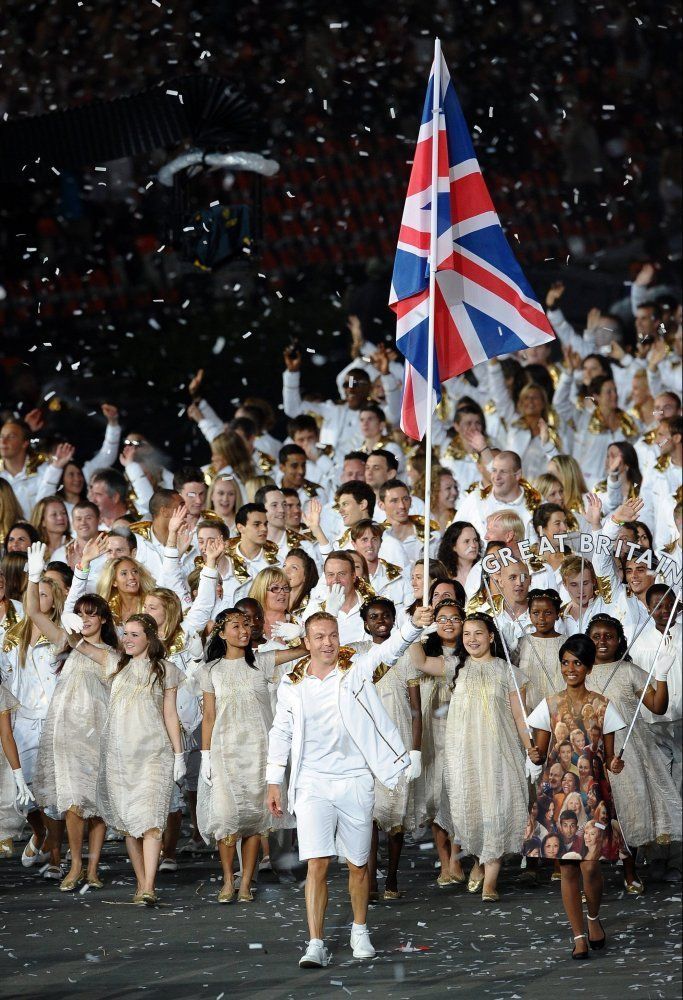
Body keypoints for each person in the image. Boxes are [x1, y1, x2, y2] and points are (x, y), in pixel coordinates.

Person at [266, 604, 432, 968]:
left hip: (355, 779)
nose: (328, 643)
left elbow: (387, 651)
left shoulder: (353, 669)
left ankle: (359, 929)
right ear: (306, 642)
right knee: (317, 864)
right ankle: (315, 942)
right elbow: (281, 731)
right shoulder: (292, 683)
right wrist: (273, 779)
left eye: (333, 636)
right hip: (311, 782)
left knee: (358, 863)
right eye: (320, 637)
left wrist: (412, 627)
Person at [67, 613, 185, 905]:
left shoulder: (165, 670)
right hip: (120, 756)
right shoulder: (114, 664)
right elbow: (79, 645)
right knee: (130, 823)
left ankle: (148, 886)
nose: (128, 639)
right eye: (125, 634)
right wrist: (69, 625)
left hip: (154, 753)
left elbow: (170, 713)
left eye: (135, 634)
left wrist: (179, 754)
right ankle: (141, 881)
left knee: (153, 821)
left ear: (149, 638)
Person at [526, 634, 626, 958]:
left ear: (588, 666)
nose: (570, 669)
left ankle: (594, 917)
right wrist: (535, 754)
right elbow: (540, 752)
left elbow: (610, 759)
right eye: (566, 662)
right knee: (568, 867)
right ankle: (578, 935)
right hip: (558, 794)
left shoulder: (602, 706)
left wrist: (615, 762)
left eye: (577, 663)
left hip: (593, 794)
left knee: (590, 867)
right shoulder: (549, 705)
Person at [26, 542, 118, 890]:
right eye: (82, 612)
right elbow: (34, 613)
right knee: (73, 801)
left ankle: (93, 868)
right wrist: (34, 578)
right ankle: (75, 863)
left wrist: (83, 570)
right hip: (67, 731)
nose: (86, 618)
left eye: (92, 613)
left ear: (104, 619)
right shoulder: (66, 641)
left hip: (100, 730)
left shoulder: (111, 651)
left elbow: (102, 662)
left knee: (97, 802)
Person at [198, 608, 303, 902]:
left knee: (256, 817)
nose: (243, 630)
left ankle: (246, 882)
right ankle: (228, 879)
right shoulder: (210, 670)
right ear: (222, 633)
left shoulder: (263, 661)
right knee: (227, 815)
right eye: (235, 626)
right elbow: (209, 716)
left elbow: (306, 650)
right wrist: (205, 754)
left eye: (246, 625)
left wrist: (300, 628)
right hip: (224, 749)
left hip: (259, 747)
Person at [437, 612, 532, 901]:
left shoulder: (507, 672)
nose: (472, 639)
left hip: (497, 752)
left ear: (491, 636)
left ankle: (491, 881)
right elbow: (418, 662)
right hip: (464, 755)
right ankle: (478, 861)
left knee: (495, 809)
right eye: (466, 634)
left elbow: (519, 715)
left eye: (478, 633)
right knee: (471, 812)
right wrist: (420, 625)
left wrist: (531, 749)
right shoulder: (457, 668)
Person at [586, 615, 682, 893]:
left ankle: (630, 871)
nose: (602, 641)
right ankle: (588, 877)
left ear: (619, 641)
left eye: (609, 636)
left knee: (624, 810)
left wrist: (661, 675)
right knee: (591, 812)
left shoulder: (628, 670)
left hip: (627, 750)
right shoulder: (583, 671)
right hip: (592, 750)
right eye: (596, 636)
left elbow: (657, 706)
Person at [357, 597, 424, 900]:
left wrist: (416, 750)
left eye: (386, 615)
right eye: (374, 616)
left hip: (398, 741)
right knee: (369, 813)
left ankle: (392, 877)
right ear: (365, 622)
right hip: (366, 743)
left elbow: (416, 709)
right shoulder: (358, 654)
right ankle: (369, 878)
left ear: (395, 618)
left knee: (395, 814)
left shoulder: (407, 653)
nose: (380, 620)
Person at [1, 574, 64, 877]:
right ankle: (40, 832)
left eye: (44, 595)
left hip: (56, 721)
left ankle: (56, 858)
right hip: (23, 722)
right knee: (23, 793)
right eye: (33, 594)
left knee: (52, 795)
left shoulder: (61, 633)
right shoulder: (13, 636)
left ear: (54, 602)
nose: (37, 600)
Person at [411, 598, 466, 886]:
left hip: (458, 733)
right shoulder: (423, 649)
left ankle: (456, 859)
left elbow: (421, 662)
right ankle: (445, 863)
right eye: (442, 618)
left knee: (455, 797)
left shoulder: (466, 657)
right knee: (434, 796)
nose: (448, 623)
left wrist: (414, 634)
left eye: (455, 618)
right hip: (431, 734)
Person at [515, 589, 565, 710]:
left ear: (557, 613)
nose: (541, 618)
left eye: (548, 613)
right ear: (529, 614)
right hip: (528, 709)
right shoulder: (522, 642)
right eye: (536, 613)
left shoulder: (567, 643)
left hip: (559, 709)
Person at [437, 522, 482, 589]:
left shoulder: (484, 570)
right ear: (453, 546)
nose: (473, 545)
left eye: (475, 540)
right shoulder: (443, 575)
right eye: (467, 541)